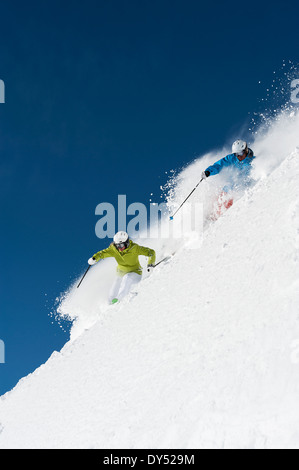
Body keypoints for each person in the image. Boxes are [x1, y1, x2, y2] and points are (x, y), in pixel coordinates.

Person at [88, 231, 156, 304]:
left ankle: (119, 299)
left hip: (135, 273)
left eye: (121, 245)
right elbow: (102, 254)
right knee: (117, 281)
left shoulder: (134, 248)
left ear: (126, 242)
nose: (120, 248)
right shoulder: (114, 250)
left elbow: (151, 252)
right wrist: (94, 258)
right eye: (117, 245)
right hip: (121, 272)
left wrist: (150, 264)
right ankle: (109, 302)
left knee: (127, 277)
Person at [201, 139, 256, 219]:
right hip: (227, 188)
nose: (239, 156)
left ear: (246, 150)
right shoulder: (232, 158)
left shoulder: (253, 161)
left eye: (240, 153)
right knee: (216, 203)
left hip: (239, 191)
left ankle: (216, 221)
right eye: (236, 154)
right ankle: (206, 217)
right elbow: (219, 165)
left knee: (223, 208)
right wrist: (208, 172)